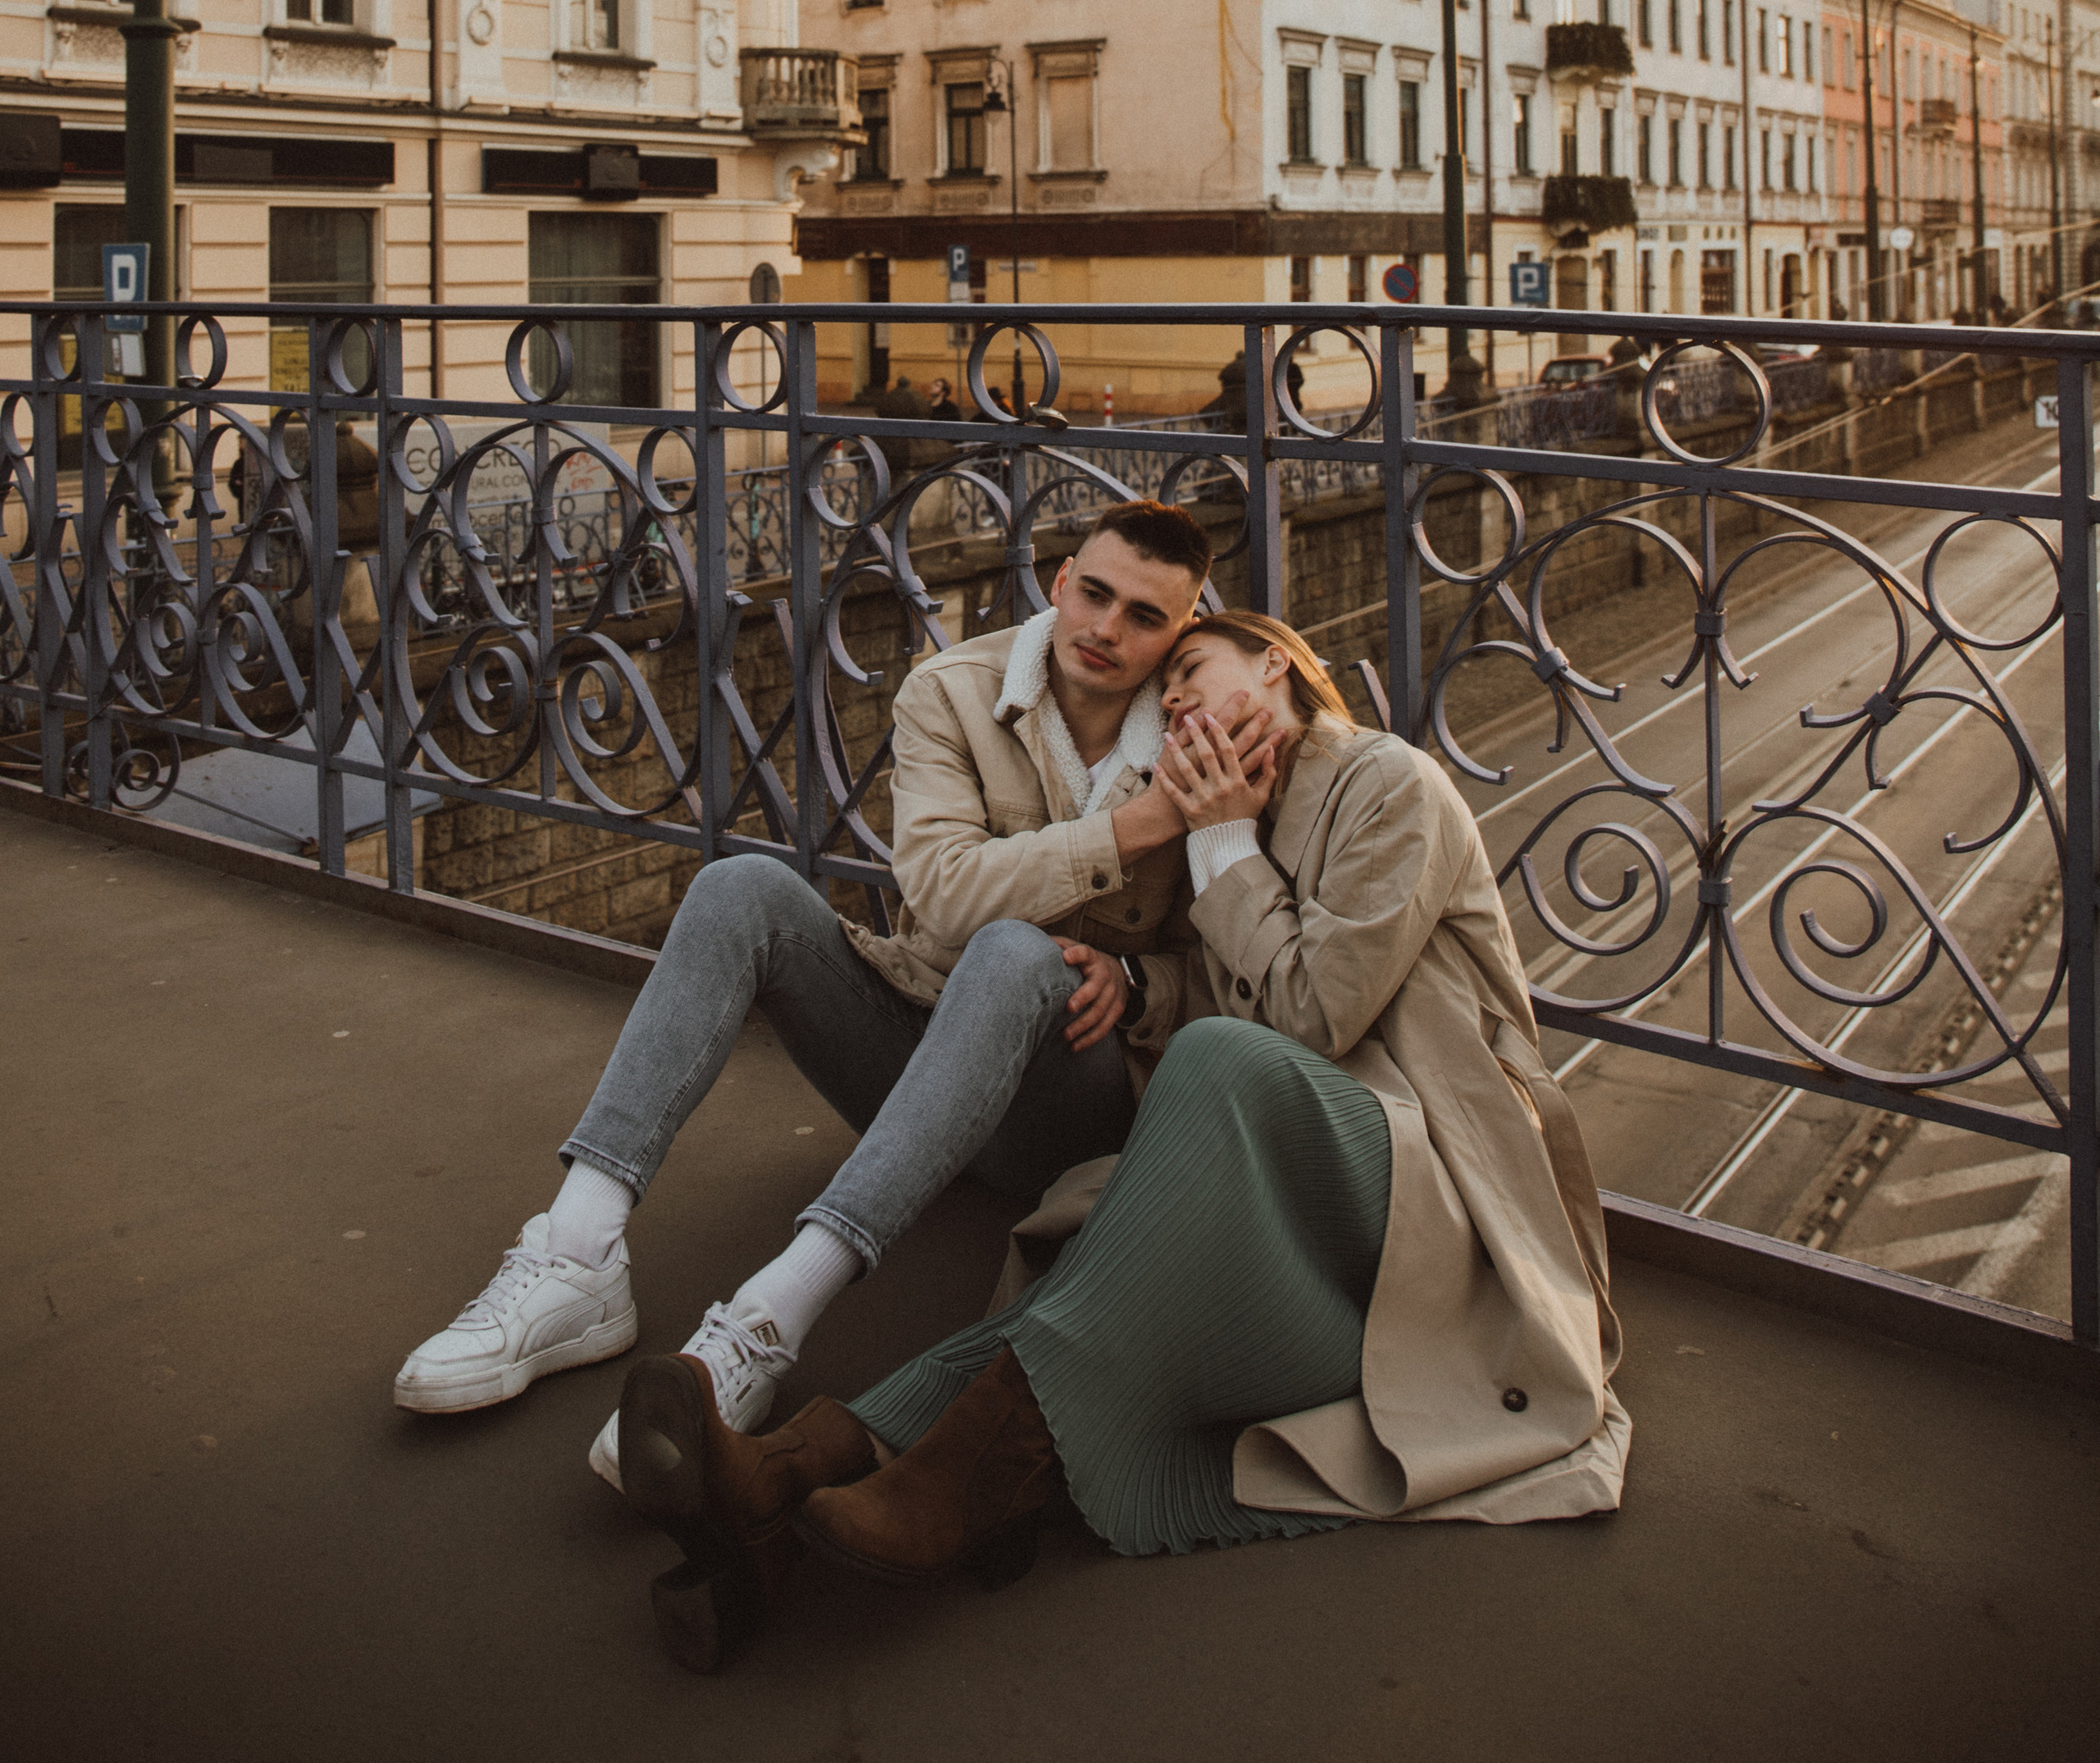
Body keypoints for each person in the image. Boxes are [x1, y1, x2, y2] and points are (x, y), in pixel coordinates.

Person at [614, 608, 1627, 1669]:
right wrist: (1138, 978)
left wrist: (1224, 840)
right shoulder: (1237, 816)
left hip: (1435, 1183)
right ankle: (791, 1478)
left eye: (1192, 667)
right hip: (1292, 1185)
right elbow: (1225, 975)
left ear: (1277, 664)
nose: (1175, 700)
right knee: (1093, 1267)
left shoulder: (1387, 783)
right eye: (1167, 693)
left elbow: (1314, 1015)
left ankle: (949, 1484)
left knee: (1210, 1073)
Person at [391, 500, 1214, 1475]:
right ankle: (577, 1254)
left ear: (1184, 629)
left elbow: (1238, 954)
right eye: (1095, 594)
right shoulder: (951, 691)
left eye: (1144, 618)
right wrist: (1136, 828)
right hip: (918, 1057)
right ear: (1061, 576)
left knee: (1015, 954)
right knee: (740, 887)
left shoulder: (1204, 727)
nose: (1105, 631)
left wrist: (1139, 979)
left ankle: (765, 1322)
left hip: (1063, 1108)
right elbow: (943, 895)